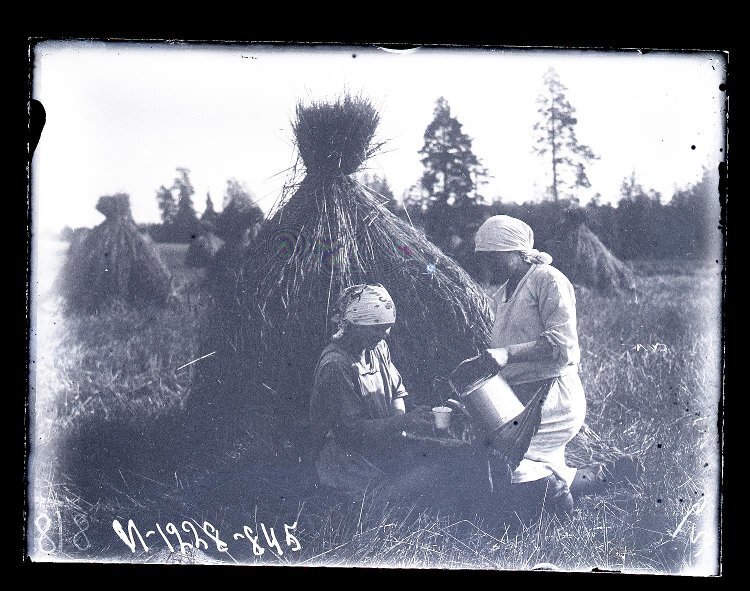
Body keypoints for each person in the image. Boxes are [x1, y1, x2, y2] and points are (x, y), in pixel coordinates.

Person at [309, 283, 486, 503]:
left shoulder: (378, 348)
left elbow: (397, 391)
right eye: (376, 328)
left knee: (458, 453)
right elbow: (350, 432)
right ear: (354, 324)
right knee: (433, 475)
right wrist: (402, 423)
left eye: (387, 327)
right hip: (350, 462)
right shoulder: (336, 366)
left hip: (382, 445)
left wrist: (402, 424)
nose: (383, 335)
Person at [474, 215, 590, 520]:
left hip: (553, 393)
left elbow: (561, 345)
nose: (487, 265)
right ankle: (607, 476)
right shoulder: (503, 294)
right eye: (483, 258)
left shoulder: (547, 279)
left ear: (515, 251)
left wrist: (507, 354)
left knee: (512, 459)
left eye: (492, 257)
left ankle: (560, 512)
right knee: (540, 463)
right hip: (524, 394)